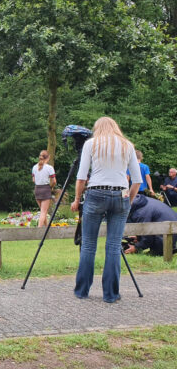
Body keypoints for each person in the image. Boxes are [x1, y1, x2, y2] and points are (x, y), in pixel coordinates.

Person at [71, 117, 141, 303]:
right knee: (113, 246)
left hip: (95, 193)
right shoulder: (127, 145)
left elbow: (81, 177)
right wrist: (129, 201)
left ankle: (82, 290)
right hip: (120, 194)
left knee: (88, 245)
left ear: (97, 129)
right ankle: (110, 294)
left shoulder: (91, 144)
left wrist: (77, 199)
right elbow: (137, 180)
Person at [32, 150, 57, 227]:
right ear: (48, 157)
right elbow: (54, 181)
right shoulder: (49, 168)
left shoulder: (34, 167)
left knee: (43, 211)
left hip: (37, 190)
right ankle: (39, 231)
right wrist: (51, 187)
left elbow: (33, 180)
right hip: (45, 190)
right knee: (43, 212)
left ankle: (47, 229)